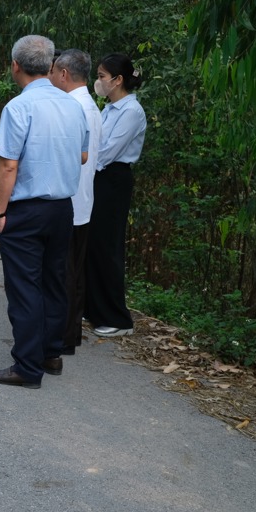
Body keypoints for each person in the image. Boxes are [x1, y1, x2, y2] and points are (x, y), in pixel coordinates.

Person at [0, 35, 88, 389]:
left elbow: (8, 165)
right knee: (53, 281)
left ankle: (26, 367)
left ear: (15, 65)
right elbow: (83, 155)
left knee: (25, 287)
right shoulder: (74, 106)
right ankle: (50, 353)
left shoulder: (19, 107)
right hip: (62, 207)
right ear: (50, 65)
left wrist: (0, 213)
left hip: (27, 209)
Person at [84, 53, 147, 337]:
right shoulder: (110, 108)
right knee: (93, 243)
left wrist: (83, 160)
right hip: (98, 176)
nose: (98, 82)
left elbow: (108, 151)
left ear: (118, 80)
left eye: (101, 77)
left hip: (113, 178)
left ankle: (118, 319)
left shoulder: (131, 111)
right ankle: (95, 309)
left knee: (108, 246)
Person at [48, 49, 103, 354]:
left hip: (68, 201)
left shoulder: (70, 107)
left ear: (64, 74)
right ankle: (69, 335)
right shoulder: (91, 107)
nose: (51, 77)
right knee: (74, 274)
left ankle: (61, 337)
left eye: (53, 72)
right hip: (82, 201)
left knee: (63, 274)